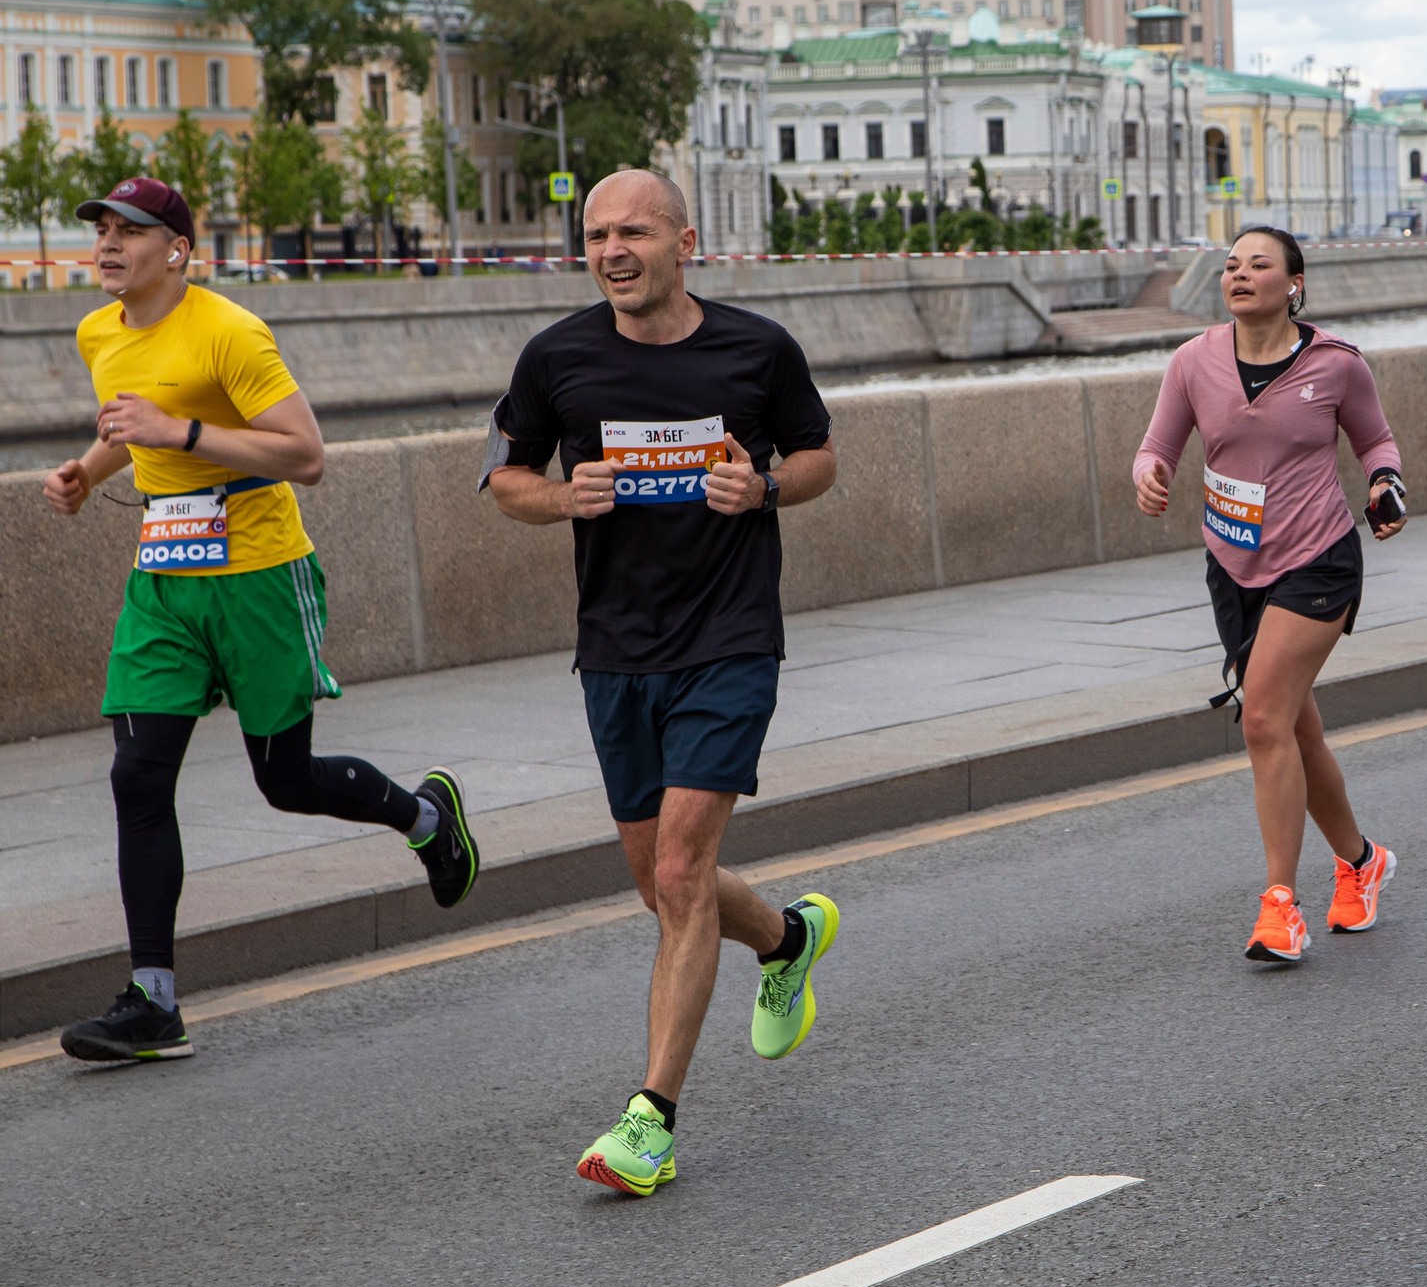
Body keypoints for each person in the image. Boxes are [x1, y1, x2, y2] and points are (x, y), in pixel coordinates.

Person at [43, 176, 478, 1064]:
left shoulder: (232, 331)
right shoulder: (98, 331)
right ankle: (153, 1000)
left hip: (259, 574)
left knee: (284, 778)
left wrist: (185, 434)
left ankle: (428, 819)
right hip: (164, 576)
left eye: (131, 230)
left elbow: (306, 455)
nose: (108, 245)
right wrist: (90, 470)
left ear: (179, 250)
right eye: (101, 230)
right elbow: (133, 424)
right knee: (137, 774)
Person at [486, 168, 841, 1196]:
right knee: (657, 884)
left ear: (685, 241)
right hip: (615, 651)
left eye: (632, 232)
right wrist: (560, 500)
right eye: (595, 235)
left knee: (682, 875)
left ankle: (652, 1121)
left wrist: (765, 484)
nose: (610, 251)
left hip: (729, 639)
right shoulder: (556, 358)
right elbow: (506, 481)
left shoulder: (756, 349)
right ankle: (787, 938)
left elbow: (819, 457)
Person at [1133, 225, 1405, 964]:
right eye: (1231, 265)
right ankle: (1360, 861)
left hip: (1317, 559)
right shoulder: (1193, 362)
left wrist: (1385, 483)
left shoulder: (1336, 365)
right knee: (1296, 730)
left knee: (1261, 721)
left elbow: (1376, 442)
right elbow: (1158, 445)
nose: (1240, 274)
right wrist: (1148, 472)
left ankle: (1279, 904)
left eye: (1259, 264)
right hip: (1233, 562)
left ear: (1295, 283)